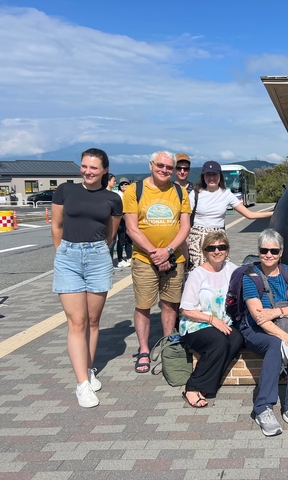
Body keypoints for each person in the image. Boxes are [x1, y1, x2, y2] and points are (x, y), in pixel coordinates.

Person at [51, 148, 122, 407]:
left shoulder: (113, 198)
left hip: (98, 257)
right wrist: (62, 253)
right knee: (77, 321)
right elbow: (56, 226)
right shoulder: (65, 191)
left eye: (94, 168)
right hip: (68, 256)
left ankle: (89, 370)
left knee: (93, 320)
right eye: (84, 166)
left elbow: (110, 234)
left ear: (104, 170)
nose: (88, 172)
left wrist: (96, 251)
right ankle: (81, 384)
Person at [123, 151, 192, 374]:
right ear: (151, 165)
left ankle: (167, 345)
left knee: (171, 303)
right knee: (144, 305)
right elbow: (131, 228)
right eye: (160, 165)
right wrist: (155, 253)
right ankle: (144, 349)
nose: (165, 170)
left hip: (174, 257)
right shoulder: (135, 190)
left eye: (169, 168)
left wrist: (169, 250)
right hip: (144, 258)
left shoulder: (179, 191)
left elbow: (185, 226)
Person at [238, 229, 288, 436]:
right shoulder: (250, 276)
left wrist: (276, 312)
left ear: (281, 252)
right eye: (264, 250)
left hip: (285, 324)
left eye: (274, 251)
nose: (268, 255)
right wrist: (286, 338)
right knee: (277, 345)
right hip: (255, 329)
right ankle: (263, 407)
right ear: (258, 251)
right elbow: (259, 318)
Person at [179, 231, 243, 408]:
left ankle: (208, 383)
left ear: (227, 250)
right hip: (196, 324)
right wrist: (212, 320)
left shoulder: (232, 269)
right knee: (219, 342)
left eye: (221, 247)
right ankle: (192, 387)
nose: (217, 251)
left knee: (237, 339)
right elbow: (186, 309)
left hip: (222, 323)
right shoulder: (196, 275)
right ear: (204, 251)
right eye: (211, 248)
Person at [187, 161, 273, 271]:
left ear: (220, 176)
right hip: (198, 238)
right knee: (198, 271)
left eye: (214, 175)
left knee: (221, 270)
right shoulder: (195, 194)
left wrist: (274, 213)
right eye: (208, 175)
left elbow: (249, 214)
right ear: (203, 176)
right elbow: (185, 219)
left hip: (218, 237)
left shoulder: (226, 194)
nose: (211, 178)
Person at [115, 178, 133, 267]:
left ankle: (129, 258)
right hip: (121, 220)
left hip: (129, 219)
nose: (124, 186)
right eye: (122, 184)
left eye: (126, 184)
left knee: (129, 240)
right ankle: (120, 259)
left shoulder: (131, 194)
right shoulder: (118, 195)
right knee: (121, 239)